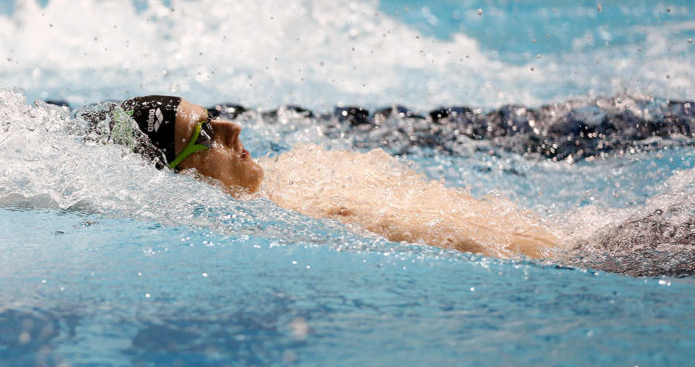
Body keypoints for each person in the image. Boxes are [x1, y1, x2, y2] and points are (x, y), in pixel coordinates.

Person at [117, 95, 560, 260]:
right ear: (177, 176)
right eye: (206, 133)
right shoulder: (286, 223)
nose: (232, 127)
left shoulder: (300, 170)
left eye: (217, 117)